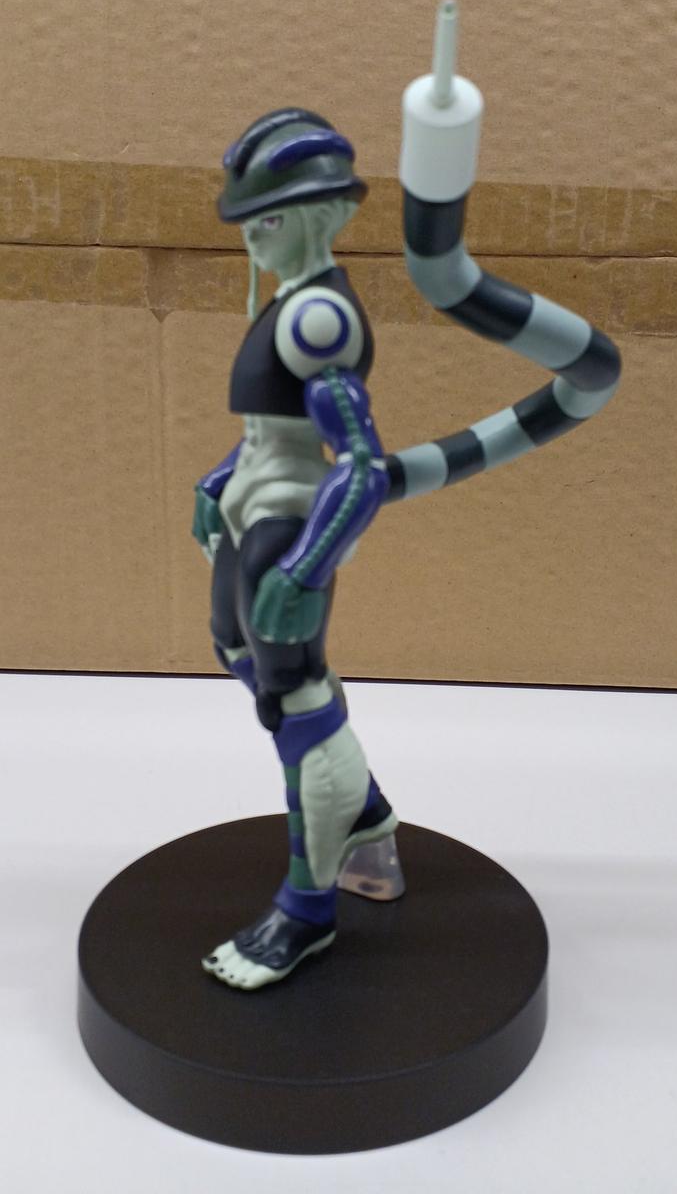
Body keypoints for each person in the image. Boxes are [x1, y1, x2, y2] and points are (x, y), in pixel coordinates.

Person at [193, 108, 403, 991]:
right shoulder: (287, 300)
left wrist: (307, 567)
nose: (253, 238)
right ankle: (365, 816)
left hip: (286, 525)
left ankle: (307, 911)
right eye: (249, 220)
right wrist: (218, 480)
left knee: (297, 700)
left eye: (269, 219)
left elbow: (362, 466)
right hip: (251, 508)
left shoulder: (318, 317)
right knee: (235, 649)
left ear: (320, 215)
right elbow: (269, 426)